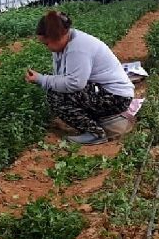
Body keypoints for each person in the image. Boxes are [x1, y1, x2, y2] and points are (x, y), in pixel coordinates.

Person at [25, 10, 134, 145]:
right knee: (57, 89)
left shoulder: (78, 48)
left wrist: (41, 80)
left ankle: (95, 133)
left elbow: (74, 84)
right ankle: (97, 122)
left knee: (55, 96)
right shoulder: (65, 43)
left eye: (46, 43)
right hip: (104, 92)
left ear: (58, 36)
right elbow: (62, 76)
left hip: (116, 98)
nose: (47, 47)